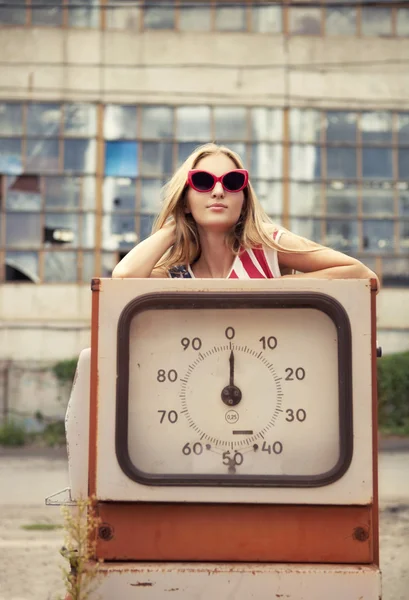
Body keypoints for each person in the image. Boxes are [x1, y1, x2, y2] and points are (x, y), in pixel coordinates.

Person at [112, 143, 379, 288]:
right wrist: (175, 226)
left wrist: (274, 288)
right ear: (185, 199)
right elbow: (122, 281)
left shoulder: (268, 247)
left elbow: (364, 276)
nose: (218, 191)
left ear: (244, 199)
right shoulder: (179, 277)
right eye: (203, 182)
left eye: (232, 181)